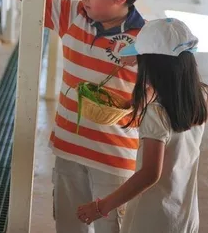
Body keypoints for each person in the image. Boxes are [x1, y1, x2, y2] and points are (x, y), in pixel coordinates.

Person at [0, 0, 145, 233]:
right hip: (68, 147)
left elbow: (156, 97)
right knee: (68, 224)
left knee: (112, 227)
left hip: (114, 157)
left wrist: (137, 104)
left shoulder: (147, 40)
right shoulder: (72, 15)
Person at [76, 17, 206, 233]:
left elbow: (149, 174)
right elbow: (169, 84)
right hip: (184, 216)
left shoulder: (157, 114)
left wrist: (100, 207)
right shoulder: (200, 96)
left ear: (152, 67)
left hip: (151, 220)